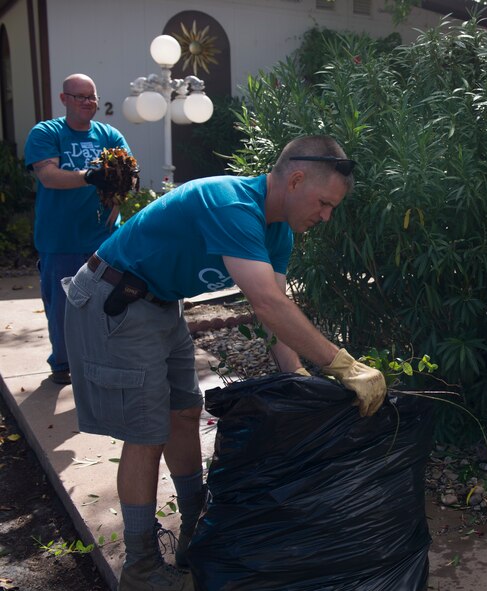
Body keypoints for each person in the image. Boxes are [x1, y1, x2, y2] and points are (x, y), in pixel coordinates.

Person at [63, 134, 387, 591]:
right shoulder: (230, 203)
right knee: (146, 432)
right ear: (295, 180)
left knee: (185, 413)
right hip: (114, 298)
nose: (326, 216)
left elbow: (269, 314)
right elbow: (270, 303)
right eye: (324, 202)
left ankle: (196, 528)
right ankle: (140, 569)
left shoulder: (277, 233)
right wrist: (344, 366)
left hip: (160, 302)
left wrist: (295, 378)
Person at [24, 73, 130, 385]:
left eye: (91, 96)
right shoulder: (47, 132)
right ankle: (62, 364)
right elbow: (49, 176)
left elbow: (128, 171)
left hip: (105, 240)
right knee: (63, 308)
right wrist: (89, 176)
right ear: (64, 99)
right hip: (61, 239)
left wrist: (117, 197)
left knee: (109, 302)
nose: (87, 102)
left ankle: (105, 358)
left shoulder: (108, 134)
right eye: (79, 96)